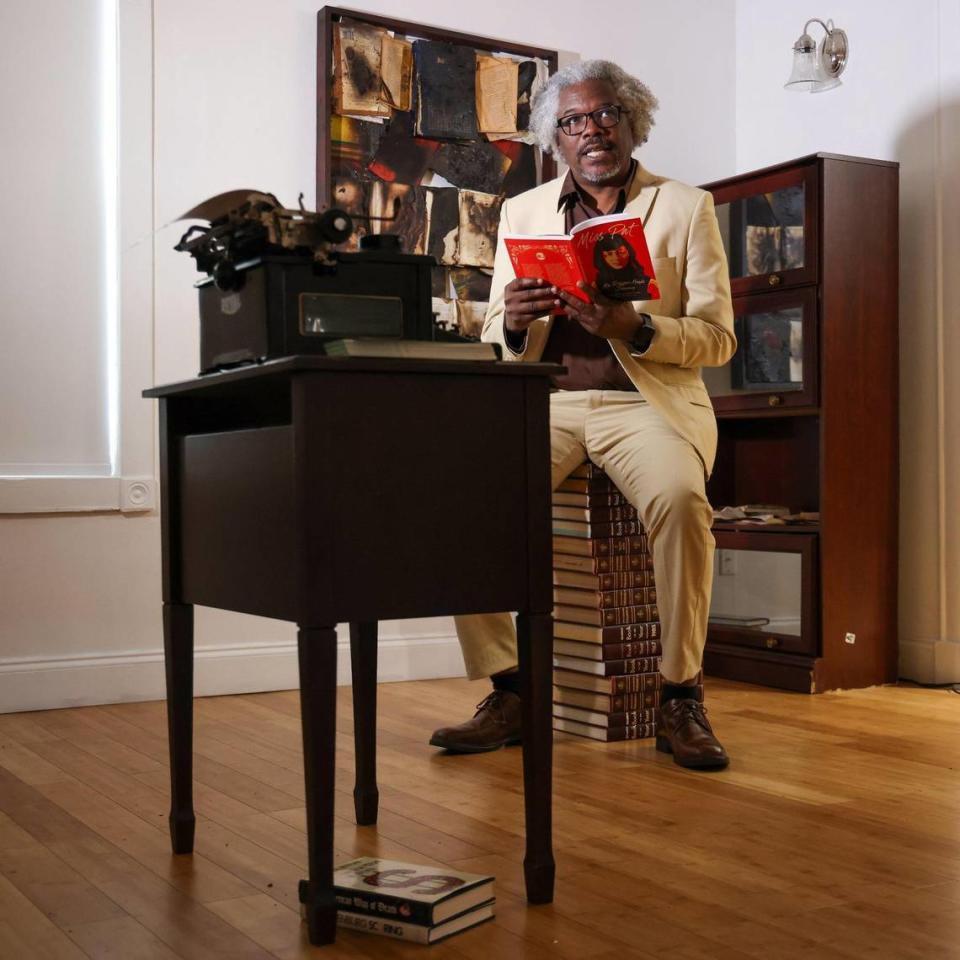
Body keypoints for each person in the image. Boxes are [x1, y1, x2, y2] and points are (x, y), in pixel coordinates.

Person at [429, 59, 736, 769]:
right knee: (459, 504)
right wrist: (508, 319)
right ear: (554, 139)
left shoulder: (686, 206)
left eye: (604, 114)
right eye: (572, 121)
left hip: (646, 405)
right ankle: (510, 690)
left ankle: (680, 696)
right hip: (549, 403)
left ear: (631, 122)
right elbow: (494, 342)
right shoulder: (522, 212)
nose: (590, 129)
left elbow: (718, 337)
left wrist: (634, 326)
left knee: (686, 505)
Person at [591, 233, 654, 300]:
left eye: (621, 252)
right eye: (609, 254)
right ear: (602, 258)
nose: (616, 258)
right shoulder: (598, 285)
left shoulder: (649, 283)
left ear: (629, 252)